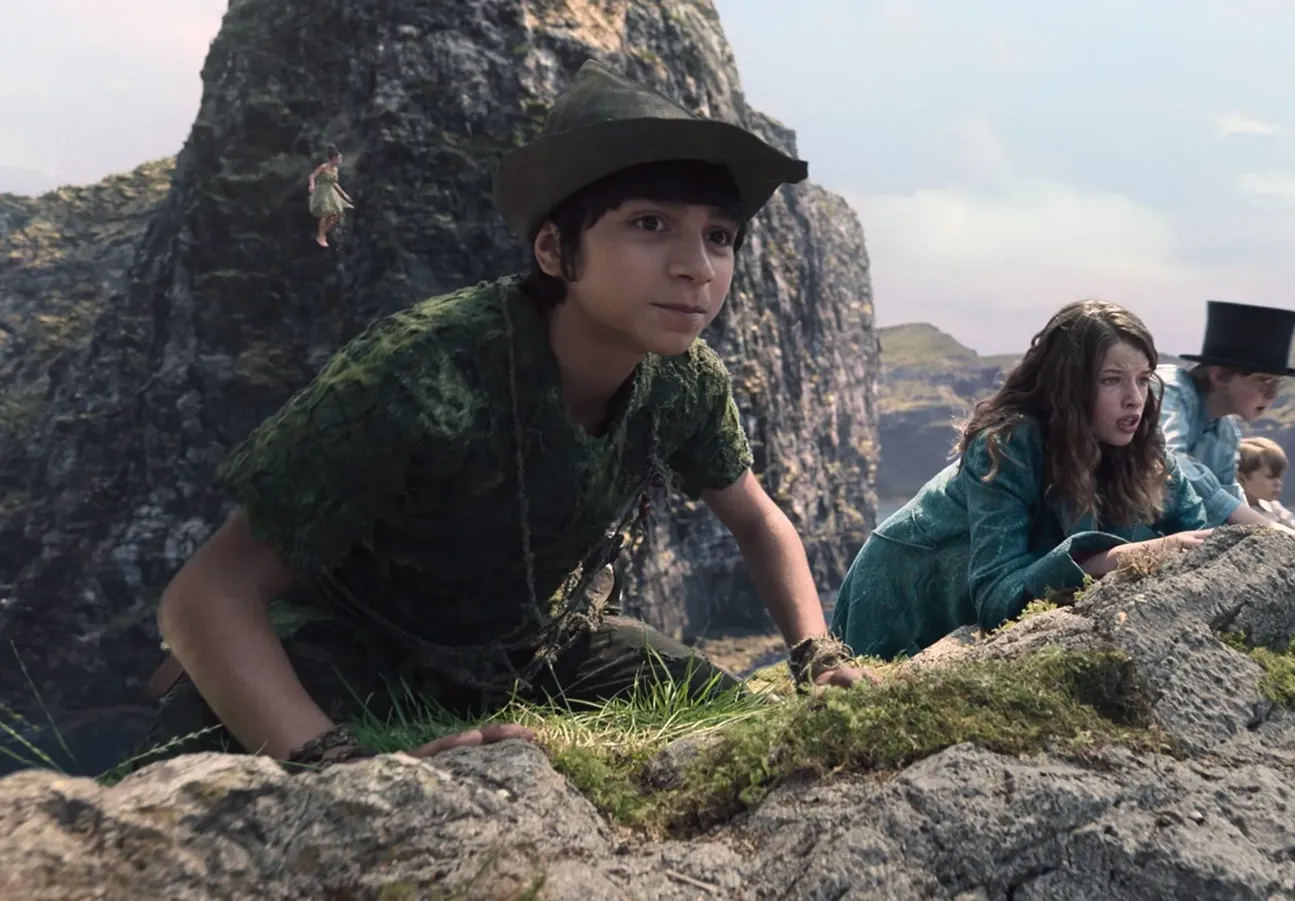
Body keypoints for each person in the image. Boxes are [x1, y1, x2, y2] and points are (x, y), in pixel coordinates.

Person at [139, 60, 872, 772]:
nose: (699, 267)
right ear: (555, 249)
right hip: (354, 642)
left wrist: (817, 655)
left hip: (532, 647)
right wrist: (341, 764)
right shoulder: (426, 368)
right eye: (651, 224)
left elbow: (757, 519)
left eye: (720, 236)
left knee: (738, 723)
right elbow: (206, 593)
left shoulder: (682, 381)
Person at [828, 300, 1215, 662]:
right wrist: (1125, 557)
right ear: (1069, 386)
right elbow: (998, 597)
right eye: (1111, 381)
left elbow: (1202, 537)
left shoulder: (1143, 449)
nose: (1135, 399)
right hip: (903, 597)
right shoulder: (1008, 445)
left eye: (1144, 379)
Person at [1156, 300, 1295, 534]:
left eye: (1278, 383)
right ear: (1218, 375)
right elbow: (1168, 459)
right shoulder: (1168, 390)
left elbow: (1230, 496)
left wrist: (1265, 531)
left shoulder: (1226, 432)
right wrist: (1265, 526)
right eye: (1263, 380)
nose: (1272, 394)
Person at [1237, 436, 1295, 531]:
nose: (1278, 483)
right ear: (1242, 478)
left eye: (1279, 477)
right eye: (1270, 477)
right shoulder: (1232, 513)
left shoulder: (1274, 507)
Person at [308, 146, 355, 247]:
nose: (340, 161)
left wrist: (344, 195)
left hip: (331, 191)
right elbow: (312, 176)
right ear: (334, 158)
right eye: (339, 158)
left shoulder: (335, 170)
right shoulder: (324, 167)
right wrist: (311, 185)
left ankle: (324, 231)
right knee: (327, 212)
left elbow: (334, 183)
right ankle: (321, 236)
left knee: (339, 213)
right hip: (322, 191)